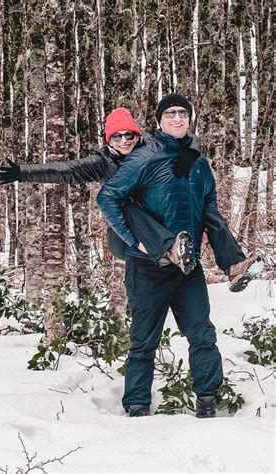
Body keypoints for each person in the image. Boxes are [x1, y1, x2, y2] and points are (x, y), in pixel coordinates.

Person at [96, 93, 263, 418]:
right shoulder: (142, 158)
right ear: (159, 121)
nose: (176, 118)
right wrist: (135, 242)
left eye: (182, 114)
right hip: (149, 267)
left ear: (189, 119)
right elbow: (108, 198)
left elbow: (211, 214)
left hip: (188, 268)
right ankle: (136, 408)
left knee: (202, 335)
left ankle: (208, 402)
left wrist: (227, 257)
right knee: (144, 341)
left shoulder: (198, 162)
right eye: (169, 114)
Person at [0, 106, 259, 290]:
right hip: (125, 237)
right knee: (126, 200)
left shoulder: (148, 148)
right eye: (117, 136)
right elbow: (65, 171)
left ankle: (234, 266)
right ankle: (168, 251)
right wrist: (22, 172)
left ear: (137, 135)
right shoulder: (102, 162)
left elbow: (181, 136)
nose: (124, 141)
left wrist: (192, 151)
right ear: (109, 139)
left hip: (161, 225)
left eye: (129, 135)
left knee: (204, 206)